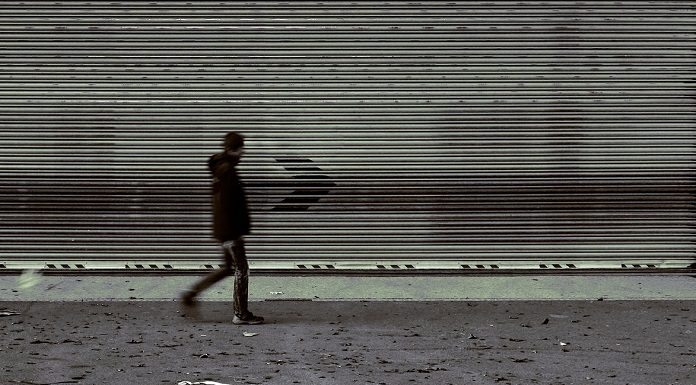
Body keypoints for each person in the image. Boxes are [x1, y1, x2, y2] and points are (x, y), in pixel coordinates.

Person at [181, 132, 264, 325]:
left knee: (228, 268)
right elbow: (226, 205)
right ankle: (241, 314)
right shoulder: (227, 171)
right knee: (242, 269)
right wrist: (232, 235)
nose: (243, 152)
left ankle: (192, 294)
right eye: (240, 148)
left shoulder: (222, 168)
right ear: (231, 149)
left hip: (226, 230)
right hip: (230, 231)